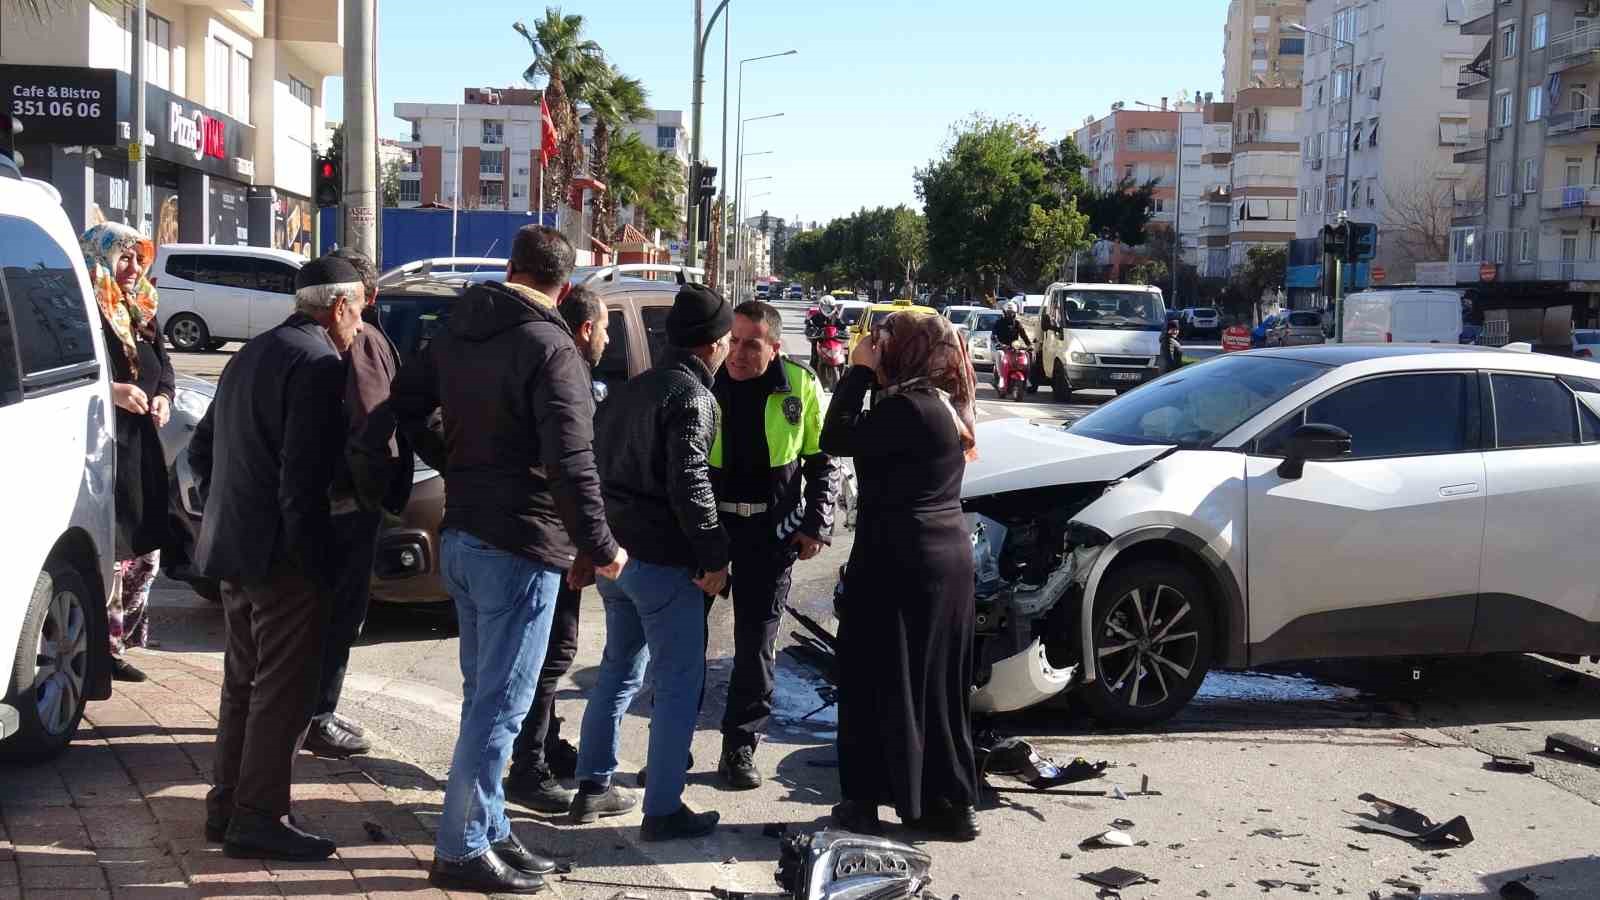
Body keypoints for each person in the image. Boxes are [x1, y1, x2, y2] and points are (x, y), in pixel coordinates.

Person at [392, 225, 625, 895]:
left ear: (512, 267)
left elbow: (407, 406)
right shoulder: (553, 346)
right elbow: (572, 462)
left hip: (465, 535)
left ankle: (489, 828)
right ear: (566, 285)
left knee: (485, 700)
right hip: (518, 545)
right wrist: (600, 544)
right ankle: (462, 847)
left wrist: (460, 463)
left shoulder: (460, 326)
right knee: (498, 708)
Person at [189, 256, 369, 861]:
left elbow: (202, 451)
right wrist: (316, 561)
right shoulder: (319, 364)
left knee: (243, 684)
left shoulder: (251, 353)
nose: (362, 327)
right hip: (279, 557)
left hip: (233, 546)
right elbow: (301, 482)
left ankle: (228, 804)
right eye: (360, 312)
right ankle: (258, 815)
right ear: (339, 306)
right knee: (282, 692)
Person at [578, 283, 732, 843]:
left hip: (617, 556)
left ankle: (593, 785)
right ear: (714, 344)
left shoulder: (631, 390)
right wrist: (716, 556)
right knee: (676, 683)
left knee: (619, 669)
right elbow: (689, 481)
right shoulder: (692, 397)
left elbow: (595, 470)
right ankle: (663, 808)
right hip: (663, 562)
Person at [819, 311, 982, 841]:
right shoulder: (937, 406)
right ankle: (945, 802)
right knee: (933, 683)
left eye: (884, 341)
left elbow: (835, 435)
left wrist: (858, 373)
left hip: (899, 558)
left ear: (908, 351)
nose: (875, 346)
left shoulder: (909, 409)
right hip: (942, 558)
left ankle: (864, 801)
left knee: (871, 676)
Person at [707, 300, 837, 789]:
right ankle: (671, 744)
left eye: (751, 344)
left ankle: (739, 748)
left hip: (772, 533)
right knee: (682, 643)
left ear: (775, 348)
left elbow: (823, 463)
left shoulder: (800, 385)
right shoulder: (708, 381)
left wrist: (816, 524)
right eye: (733, 341)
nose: (737, 353)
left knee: (755, 645)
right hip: (711, 530)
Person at [504, 284, 610, 814]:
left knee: (535, 656)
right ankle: (528, 766)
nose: (609, 341)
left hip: (520, 528)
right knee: (550, 655)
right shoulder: (565, 369)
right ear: (586, 329)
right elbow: (573, 469)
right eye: (607, 329)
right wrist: (594, 546)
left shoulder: (526, 354)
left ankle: (541, 744)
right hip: (550, 536)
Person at [303, 248, 410, 758]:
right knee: (339, 614)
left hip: (316, 501)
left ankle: (309, 709)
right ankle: (318, 714)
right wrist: (375, 496)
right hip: (343, 505)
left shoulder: (291, 343)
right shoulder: (363, 342)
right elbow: (372, 429)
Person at [83, 223, 173, 684]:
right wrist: (111, 390)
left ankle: (116, 640)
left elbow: (164, 365)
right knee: (116, 554)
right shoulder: (85, 311)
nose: (133, 267)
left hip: (141, 446)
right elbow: (73, 373)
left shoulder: (140, 309)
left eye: (138, 257)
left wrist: (164, 396)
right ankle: (104, 649)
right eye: (122, 257)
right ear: (99, 258)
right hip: (101, 446)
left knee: (146, 554)